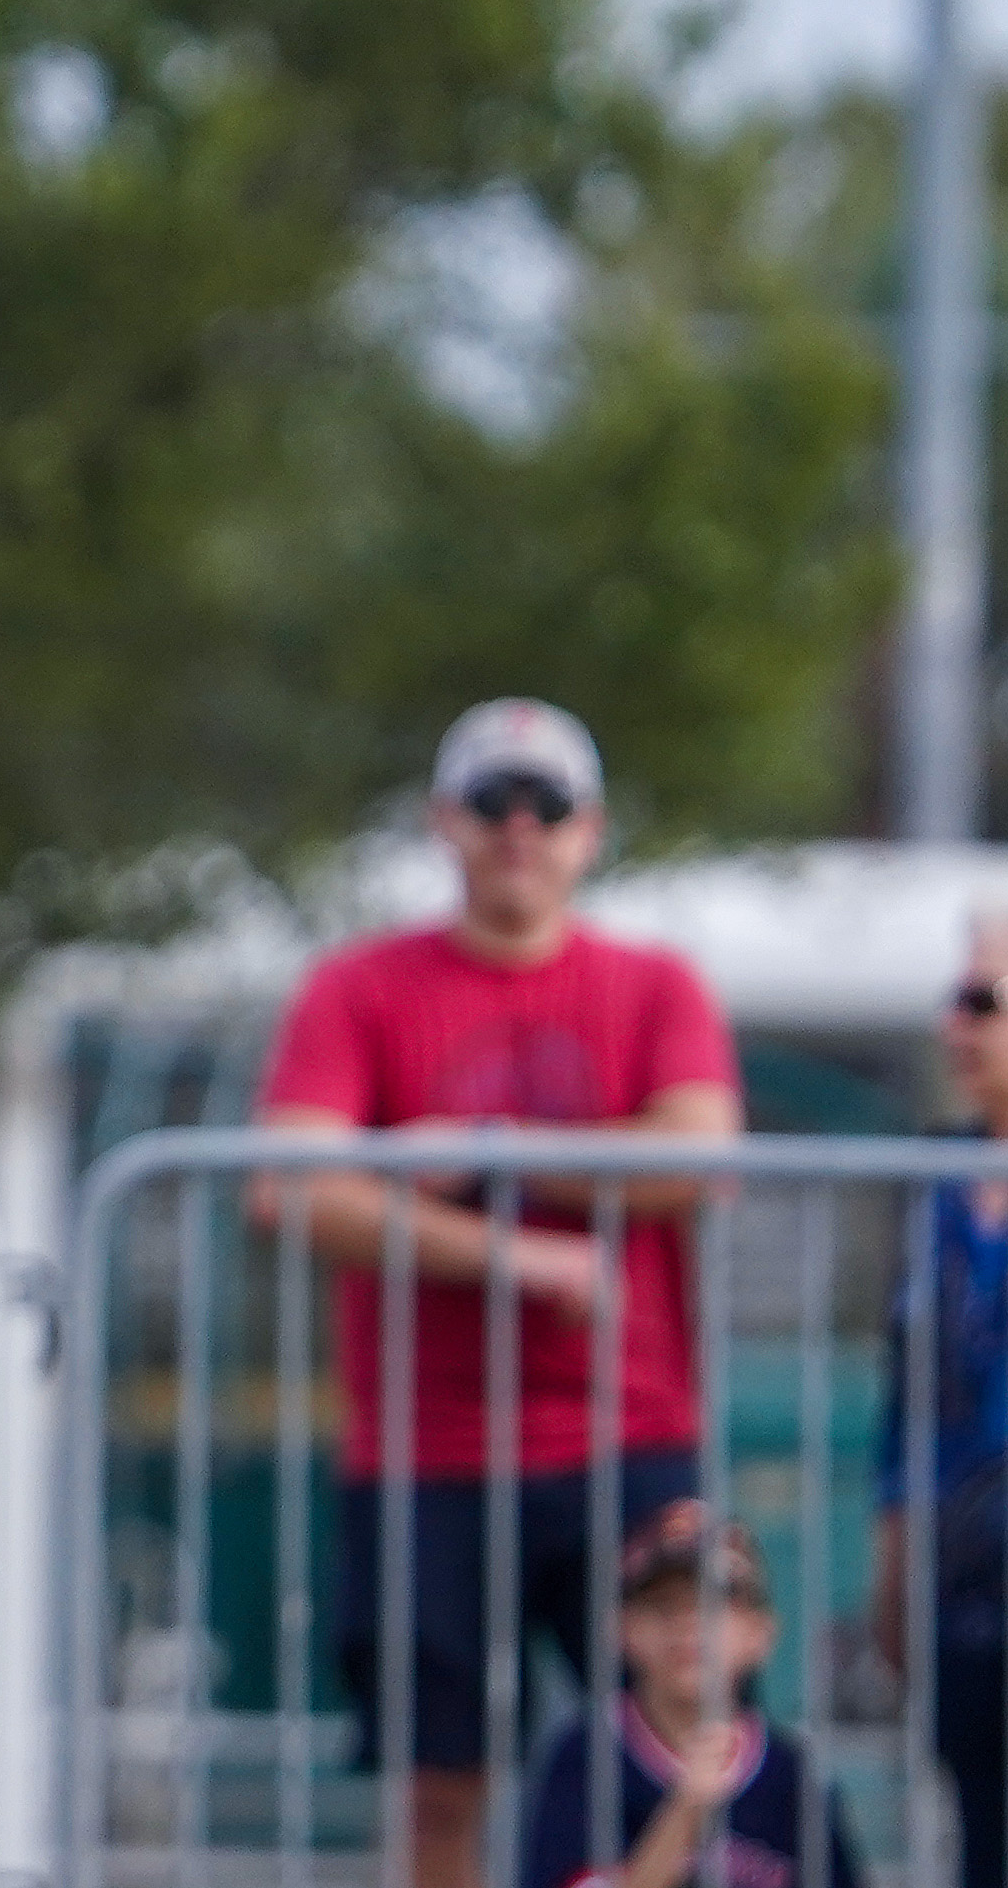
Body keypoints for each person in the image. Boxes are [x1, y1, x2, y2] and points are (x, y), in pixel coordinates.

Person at [248, 700, 744, 1888]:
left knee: (680, 1761)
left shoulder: (654, 984)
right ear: (443, 822)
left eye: (545, 804)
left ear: (589, 829)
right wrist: (517, 1254)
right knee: (436, 1787)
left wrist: (483, 1142)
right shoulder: (357, 987)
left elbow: (699, 1156)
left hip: (629, 1443)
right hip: (426, 1456)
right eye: (490, 802)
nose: (517, 828)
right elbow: (287, 1186)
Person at [870, 904, 1008, 1888]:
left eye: (978, 1001)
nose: (950, 1027)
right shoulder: (936, 1185)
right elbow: (908, 1402)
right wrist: (891, 1563)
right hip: (965, 1583)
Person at [522, 1506, 864, 1888]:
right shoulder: (585, 1757)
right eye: (664, 1606)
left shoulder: (792, 1774)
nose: (688, 1624)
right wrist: (686, 1811)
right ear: (621, 1628)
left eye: (713, 1606)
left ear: (760, 1632)